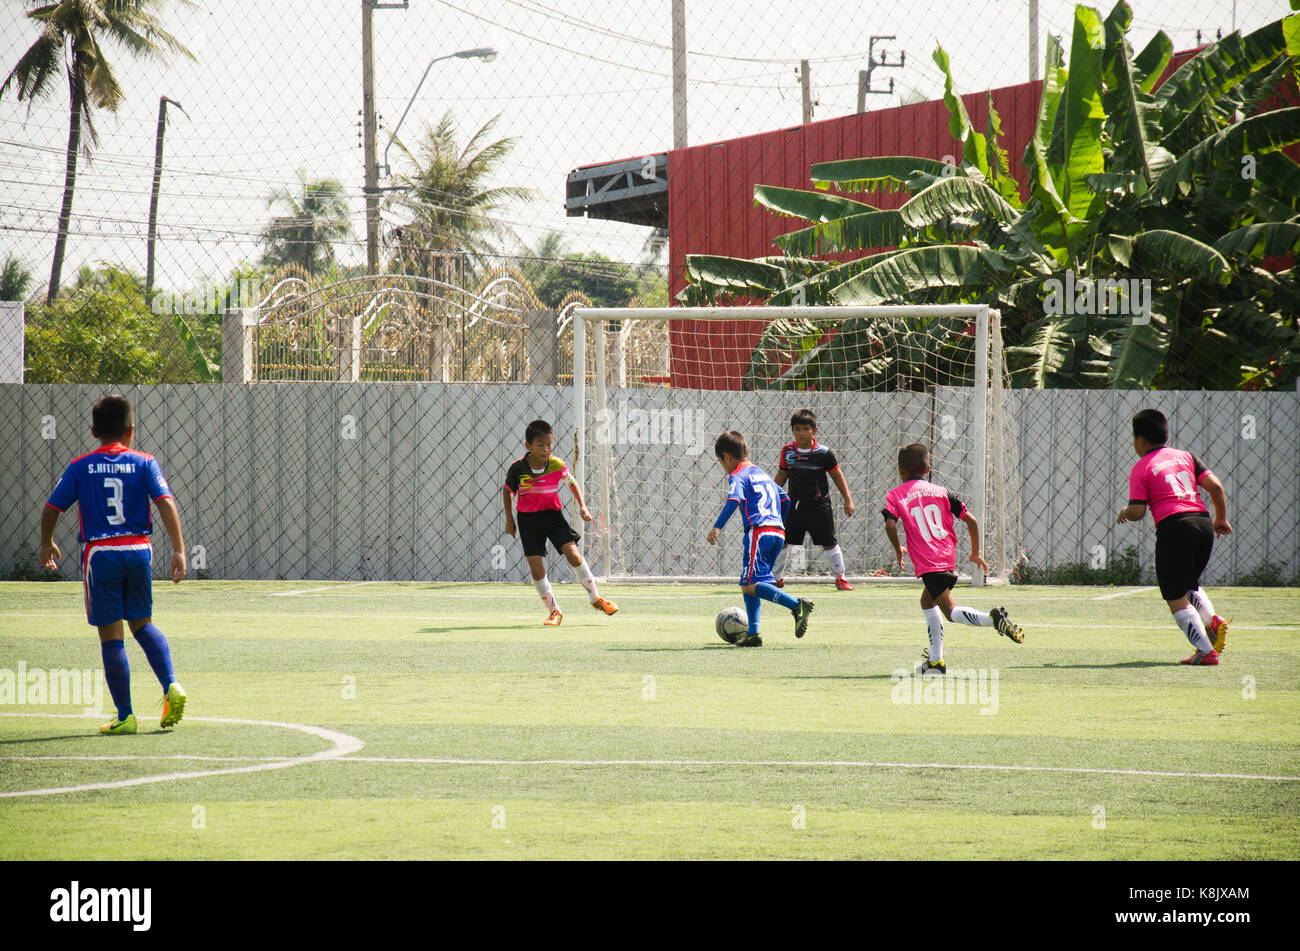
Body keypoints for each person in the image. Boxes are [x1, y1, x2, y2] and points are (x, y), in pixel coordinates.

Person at [39, 395, 188, 734]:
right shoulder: (145, 462)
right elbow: (166, 503)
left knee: (111, 636)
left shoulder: (81, 466)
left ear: (94, 431)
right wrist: (178, 550)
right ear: (131, 431)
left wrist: (47, 543)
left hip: (101, 554)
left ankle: (126, 715)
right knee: (143, 625)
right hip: (139, 549)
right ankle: (171, 685)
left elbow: (51, 509)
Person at [882, 443, 1024, 674]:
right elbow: (972, 520)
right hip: (946, 557)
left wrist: (898, 549)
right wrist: (975, 552)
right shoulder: (941, 492)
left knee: (950, 611)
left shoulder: (896, 495)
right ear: (928, 468)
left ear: (900, 470)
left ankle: (993, 619)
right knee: (927, 602)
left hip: (928, 562)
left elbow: (890, 524)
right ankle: (936, 662)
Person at [1116, 409, 1232, 665]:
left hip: (1175, 528)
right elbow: (1216, 487)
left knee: (1174, 595)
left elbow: (1137, 511)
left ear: (1141, 440)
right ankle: (1212, 621)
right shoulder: (1186, 456)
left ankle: (1205, 651)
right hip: (1202, 524)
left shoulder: (1141, 467)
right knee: (1187, 584)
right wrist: (1220, 519)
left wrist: (1124, 512)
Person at [503, 419, 617, 625]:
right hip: (528, 520)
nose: (546, 449)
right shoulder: (517, 468)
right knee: (537, 569)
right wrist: (509, 519)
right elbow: (508, 491)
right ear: (528, 446)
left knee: (573, 554)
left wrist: (582, 506)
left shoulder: (556, 464)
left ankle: (596, 598)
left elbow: (571, 482)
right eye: (540, 445)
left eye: (549, 444)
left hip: (553, 517)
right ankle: (554, 610)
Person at [707, 430, 813, 647]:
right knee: (748, 583)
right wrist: (779, 524)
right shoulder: (762, 474)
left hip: (759, 531)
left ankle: (796, 605)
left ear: (727, 457)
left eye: (721, 462)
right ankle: (754, 634)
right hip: (776, 531)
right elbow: (784, 500)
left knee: (752, 582)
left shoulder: (738, 475)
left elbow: (734, 499)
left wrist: (717, 527)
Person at [772, 409, 856, 590]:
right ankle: (776, 578)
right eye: (797, 429)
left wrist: (847, 499)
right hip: (793, 505)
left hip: (819, 506)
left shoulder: (824, 453)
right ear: (792, 431)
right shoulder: (787, 451)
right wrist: (770, 495)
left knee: (829, 542)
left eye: (805, 429)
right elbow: (782, 474)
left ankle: (840, 578)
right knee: (782, 540)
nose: (801, 433)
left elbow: (837, 476)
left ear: (814, 430)